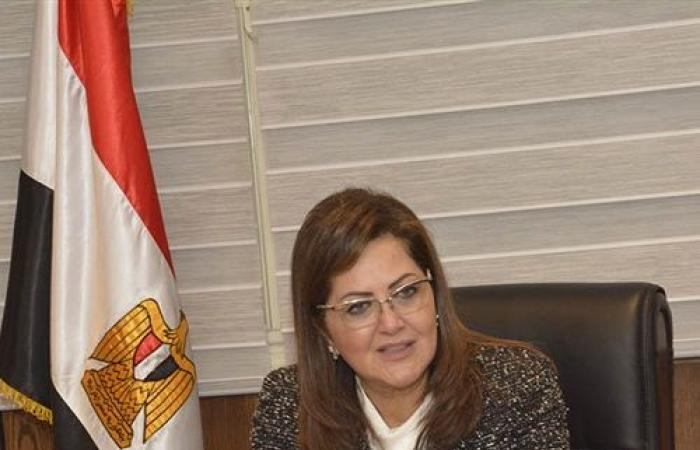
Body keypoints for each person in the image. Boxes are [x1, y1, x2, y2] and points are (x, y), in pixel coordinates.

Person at [251, 188, 570, 450]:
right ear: (324, 330)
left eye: (406, 292)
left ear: (434, 292)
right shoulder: (290, 405)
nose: (391, 324)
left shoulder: (514, 389)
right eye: (358, 307)